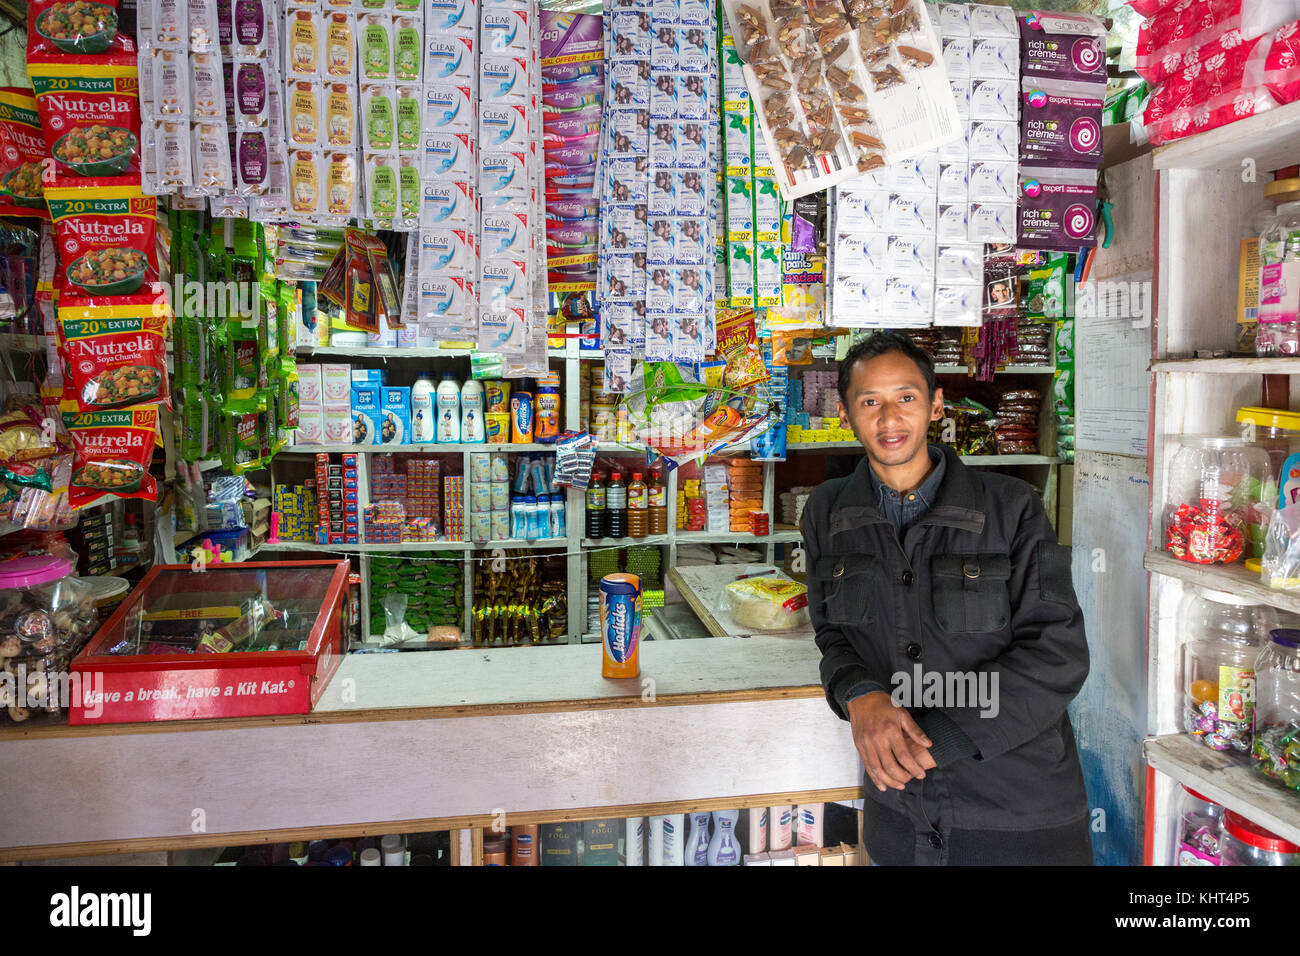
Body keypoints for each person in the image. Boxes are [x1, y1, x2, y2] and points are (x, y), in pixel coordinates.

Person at [800, 330, 1092, 866]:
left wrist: (938, 738)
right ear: (845, 412)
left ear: (936, 404)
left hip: (1019, 815)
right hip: (899, 821)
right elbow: (831, 631)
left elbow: (1058, 653)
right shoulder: (826, 511)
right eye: (870, 402)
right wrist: (858, 693)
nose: (890, 419)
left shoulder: (1014, 509)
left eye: (906, 398)